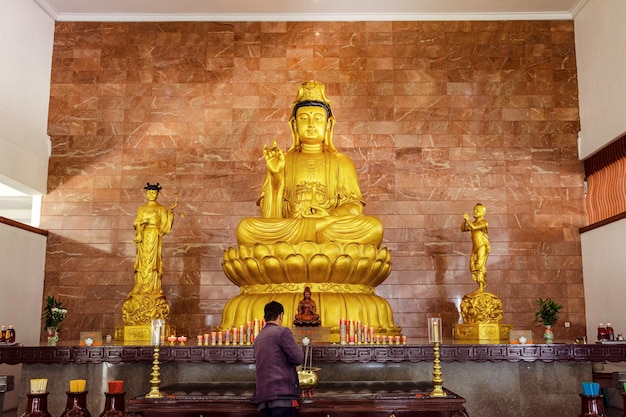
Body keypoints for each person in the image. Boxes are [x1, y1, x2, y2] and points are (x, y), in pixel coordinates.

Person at [236, 80, 383, 247]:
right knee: (246, 229)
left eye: (318, 118)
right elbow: (270, 217)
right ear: (295, 124)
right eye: (304, 118)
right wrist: (276, 176)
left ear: (328, 125)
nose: (311, 124)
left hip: (326, 226)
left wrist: (329, 218)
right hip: (292, 228)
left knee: (373, 227)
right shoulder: (283, 160)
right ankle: (314, 238)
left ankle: (311, 236)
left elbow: (354, 207)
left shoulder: (342, 162)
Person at [252, 301, 304, 417]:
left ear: (265, 317)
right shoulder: (282, 332)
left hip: (263, 397)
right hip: (281, 395)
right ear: (281, 315)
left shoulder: (259, 337)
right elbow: (298, 358)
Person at [132, 182, 177, 294]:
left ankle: (153, 287)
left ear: (157, 194)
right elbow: (136, 223)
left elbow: (165, 225)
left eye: (154, 193)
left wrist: (170, 212)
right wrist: (140, 223)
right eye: (149, 192)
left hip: (154, 235)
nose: (151, 194)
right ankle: (140, 287)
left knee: (152, 262)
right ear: (146, 193)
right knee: (143, 261)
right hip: (143, 235)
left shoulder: (160, 208)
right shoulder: (142, 208)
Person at [461, 203, 490, 291]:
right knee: (473, 265)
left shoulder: (484, 223)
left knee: (480, 265)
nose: (475, 212)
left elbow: (474, 227)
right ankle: (479, 285)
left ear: (483, 213)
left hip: (482, 246)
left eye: (477, 210)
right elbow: (463, 229)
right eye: (474, 210)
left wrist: (467, 219)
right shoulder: (472, 222)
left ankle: (481, 286)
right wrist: (464, 220)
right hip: (475, 247)